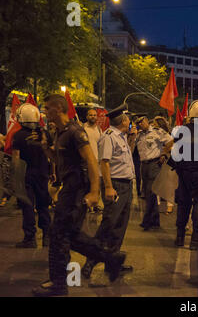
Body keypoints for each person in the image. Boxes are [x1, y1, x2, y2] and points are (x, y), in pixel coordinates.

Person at [32, 94, 125, 297]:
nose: (45, 112)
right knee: (69, 235)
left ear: (58, 108)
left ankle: (58, 284)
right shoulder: (60, 132)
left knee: (58, 233)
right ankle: (111, 258)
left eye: (47, 108)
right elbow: (58, 159)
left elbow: (91, 160)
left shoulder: (75, 131)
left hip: (76, 190)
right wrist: (45, 147)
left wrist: (94, 192)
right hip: (69, 188)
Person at [81, 103, 136, 279]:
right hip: (116, 185)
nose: (130, 122)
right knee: (108, 224)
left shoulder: (121, 137)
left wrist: (133, 138)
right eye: (129, 119)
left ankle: (113, 262)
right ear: (123, 120)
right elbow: (104, 162)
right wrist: (109, 187)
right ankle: (90, 261)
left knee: (120, 226)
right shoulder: (109, 136)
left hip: (126, 186)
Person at [171, 100, 198, 250]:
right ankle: (195, 240)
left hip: (184, 173)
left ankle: (180, 237)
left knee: (183, 205)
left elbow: (174, 153)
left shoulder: (181, 130)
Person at [12, 104, 51, 248]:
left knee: (27, 206)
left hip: (26, 175)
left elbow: (16, 158)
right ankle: (47, 236)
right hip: (42, 174)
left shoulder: (18, 135)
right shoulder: (45, 133)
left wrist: (14, 178)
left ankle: (30, 238)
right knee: (43, 205)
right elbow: (50, 154)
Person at [135, 115, 172, 230]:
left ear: (146, 121)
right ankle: (155, 221)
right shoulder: (139, 135)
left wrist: (164, 154)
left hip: (154, 164)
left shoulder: (157, 132)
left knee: (151, 192)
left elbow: (171, 141)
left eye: (142, 122)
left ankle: (147, 221)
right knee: (148, 192)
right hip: (144, 165)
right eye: (138, 123)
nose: (140, 124)